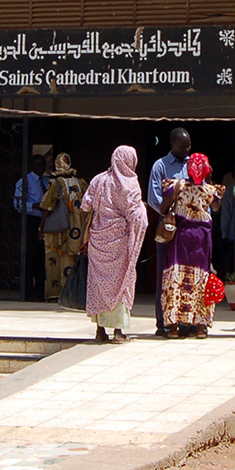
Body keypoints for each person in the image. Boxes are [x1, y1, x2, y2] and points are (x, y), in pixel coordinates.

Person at [82, 145, 147, 343]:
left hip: (98, 241)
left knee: (98, 285)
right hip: (120, 243)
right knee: (122, 281)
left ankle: (100, 330)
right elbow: (136, 214)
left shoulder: (99, 180)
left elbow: (85, 204)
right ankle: (118, 331)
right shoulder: (130, 184)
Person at [158, 152, 224, 338]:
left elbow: (163, 209)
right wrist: (208, 182)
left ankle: (173, 327)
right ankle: (201, 327)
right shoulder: (212, 191)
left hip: (180, 238)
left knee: (175, 278)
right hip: (202, 240)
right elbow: (217, 208)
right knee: (201, 278)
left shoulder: (174, 185)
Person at [147, 131, 192, 335]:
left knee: (186, 276)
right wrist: (172, 212)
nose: (187, 150)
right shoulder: (160, 166)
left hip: (190, 231)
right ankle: (163, 322)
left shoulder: (193, 164)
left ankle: (184, 321)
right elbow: (153, 199)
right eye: (183, 147)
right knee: (165, 275)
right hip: (169, 228)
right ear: (173, 144)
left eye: (189, 146)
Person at [39, 153, 88, 300]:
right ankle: (74, 293)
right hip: (78, 228)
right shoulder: (81, 183)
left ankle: (58, 294)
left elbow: (47, 206)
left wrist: (41, 228)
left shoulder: (56, 183)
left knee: (57, 258)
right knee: (74, 258)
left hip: (60, 229)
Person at [14, 152, 50, 302]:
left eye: (43, 165)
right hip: (31, 219)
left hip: (46, 220)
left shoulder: (48, 181)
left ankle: (41, 292)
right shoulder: (25, 181)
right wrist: (35, 206)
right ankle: (27, 292)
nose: (41, 168)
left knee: (42, 257)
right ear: (31, 166)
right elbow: (17, 204)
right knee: (30, 256)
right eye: (38, 165)